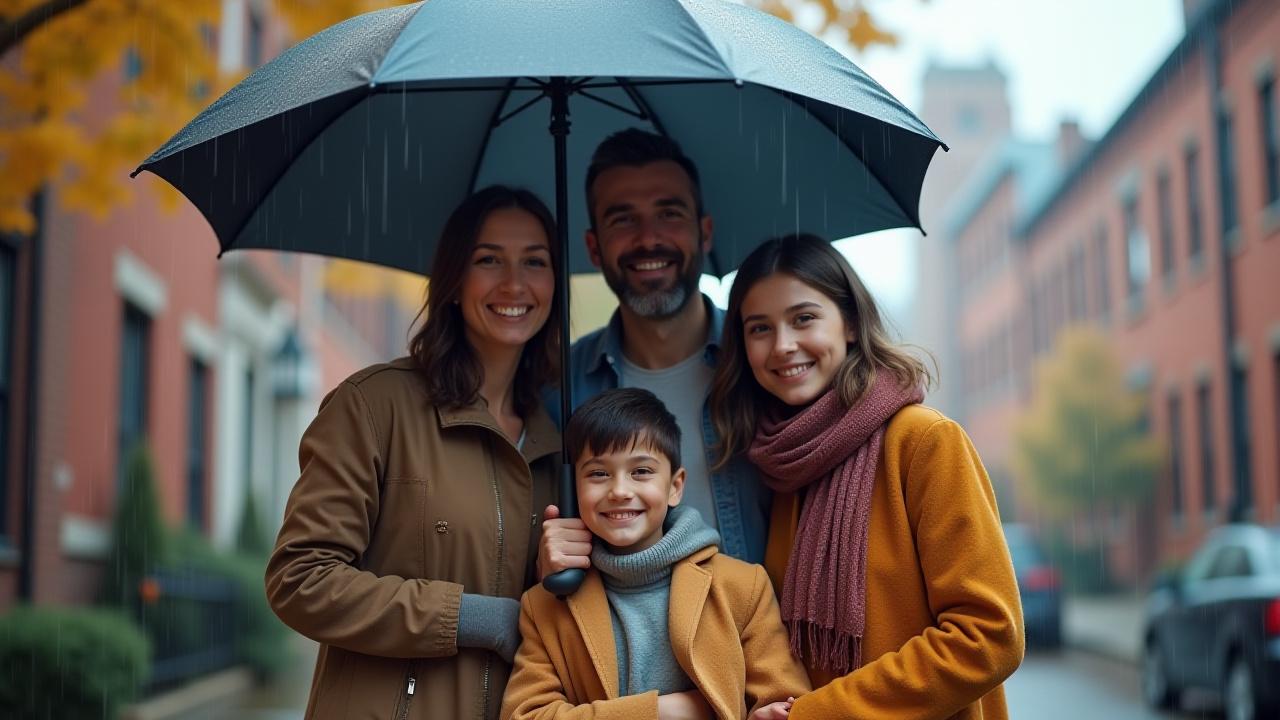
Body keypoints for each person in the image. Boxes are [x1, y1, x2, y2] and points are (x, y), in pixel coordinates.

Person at [266, 186, 563, 720]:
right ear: (453, 279)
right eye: (488, 259)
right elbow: (300, 578)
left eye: (535, 262)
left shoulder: (558, 445)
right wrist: (473, 618)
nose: (515, 282)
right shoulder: (374, 406)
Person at [708, 234, 1024, 720]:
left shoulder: (923, 442)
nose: (783, 345)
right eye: (759, 328)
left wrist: (818, 714)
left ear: (851, 323)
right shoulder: (781, 464)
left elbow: (988, 635)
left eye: (804, 318)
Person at [539, 128, 770, 583]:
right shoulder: (557, 389)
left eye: (669, 213)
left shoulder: (765, 365)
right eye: (623, 219)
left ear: (704, 232)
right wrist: (546, 560)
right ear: (593, 247)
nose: (649, 238)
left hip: (759, 646)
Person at [502, 388, 810, 720]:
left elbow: (787, 701)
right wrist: (663, 711)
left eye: (641, 472)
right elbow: (524, 714)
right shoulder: (544, 606)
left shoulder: (743, 586)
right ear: (574, 488)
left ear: (675, 486)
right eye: (598, 473)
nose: (619, 490)